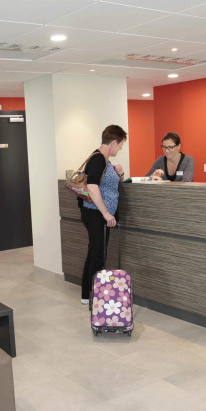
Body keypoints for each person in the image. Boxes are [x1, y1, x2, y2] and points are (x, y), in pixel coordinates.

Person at [80, 125, 127, 305]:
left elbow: (107, 184)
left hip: (97, 214)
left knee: (95, 253)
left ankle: (88, 295)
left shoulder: (103, 160)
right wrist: (106, 214)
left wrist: (120, 174)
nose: (120, 148)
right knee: (98, 256)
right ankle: (95, 297)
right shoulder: (98, 158)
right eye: (120, 145)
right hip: (96, 214)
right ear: (113, 142)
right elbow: (92, 187)